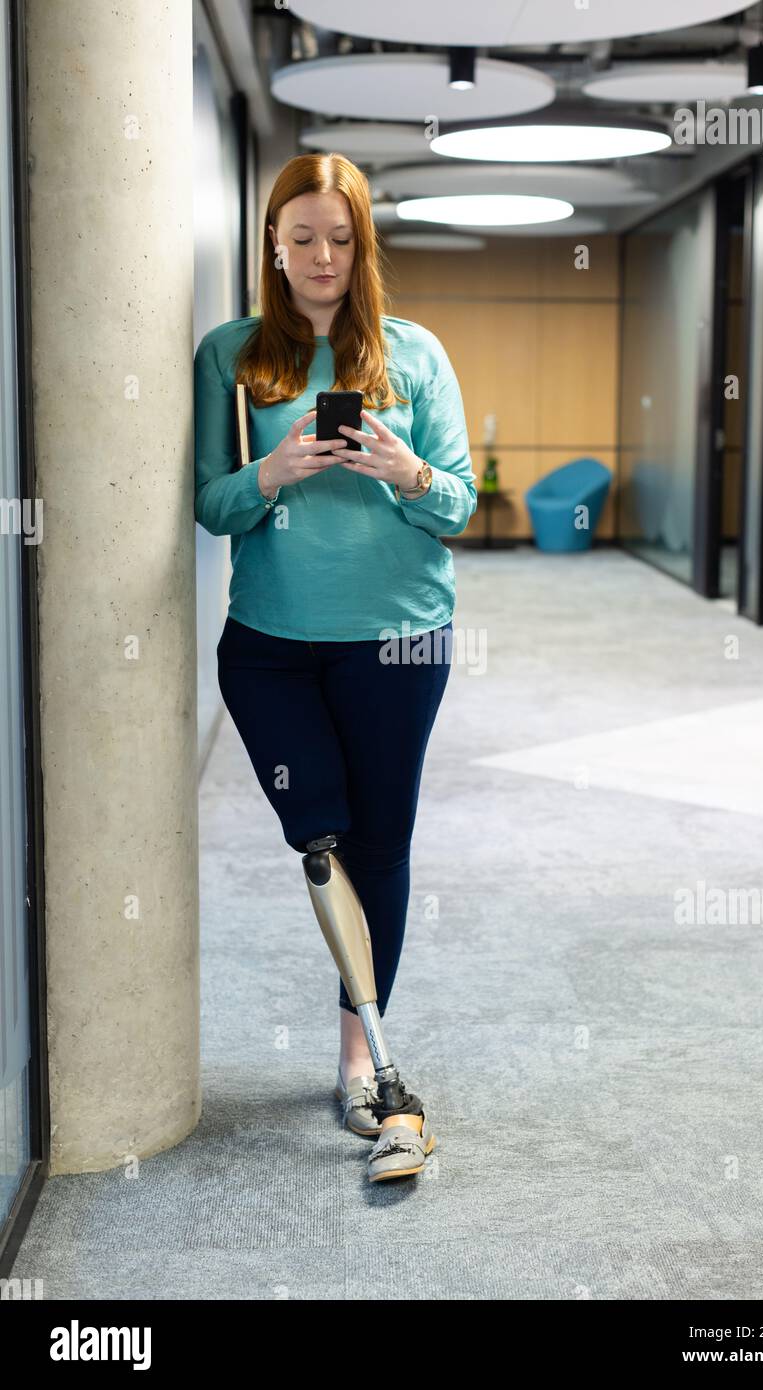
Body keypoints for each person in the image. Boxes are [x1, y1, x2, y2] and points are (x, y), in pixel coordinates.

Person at [193, 151, 477, 1148]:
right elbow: (206, 500)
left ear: (364, 246)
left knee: (379, 846)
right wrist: (270, 470)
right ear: (272, 243)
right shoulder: (230, 355)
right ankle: (369, 1039)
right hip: (270, 645)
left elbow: (461, 505)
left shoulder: (415, 353)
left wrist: (406, 469)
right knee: (319, 836)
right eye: (301, 236)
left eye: (341, 238)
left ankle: (362, 1062)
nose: (322, 256)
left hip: (398, 642)